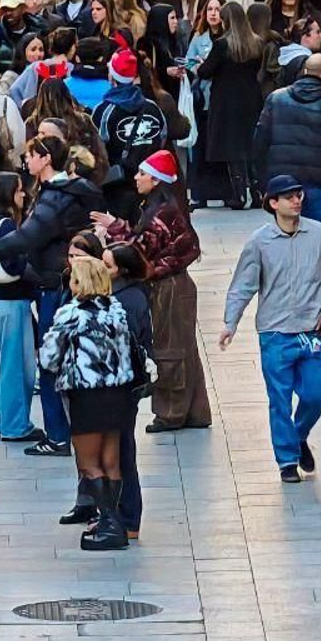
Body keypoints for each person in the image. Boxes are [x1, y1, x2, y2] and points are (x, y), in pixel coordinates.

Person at [0, 135, 104, 457]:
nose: (25, 162)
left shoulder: (54, 197)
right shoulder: (69, 192)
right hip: (66, 282)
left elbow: (30, 236)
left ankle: (58, 435)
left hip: (55, 286)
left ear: (45, 159)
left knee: (49, 362)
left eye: (30, 155)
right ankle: (73, 432)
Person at [219, 175, 321, 484]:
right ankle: (287, 460)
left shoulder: (319, 234)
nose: (296, 200)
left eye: (298, 194)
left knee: (315, 395)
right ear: (273, 203)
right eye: (288, 197)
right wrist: (230, 323)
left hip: (311, 330)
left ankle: (298, 437)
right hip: (274, 333)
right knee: (279, 398)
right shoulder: (260, 242)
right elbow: (243, 284)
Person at [94, 151, 210, 433]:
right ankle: (194, 410)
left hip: (168, 287)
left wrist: (112, 231)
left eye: (143, 174)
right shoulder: (163, 209)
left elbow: (138, 252)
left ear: (156, 180)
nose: (136, 177)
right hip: (175, 285)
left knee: (169, 348)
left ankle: (171, 413)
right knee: (184, 347)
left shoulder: (160, 214)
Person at [38, 256, 135, 551]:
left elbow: (48, 356)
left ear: (79, 282)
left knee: (88, 464)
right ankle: (114, 520)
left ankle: (108, 525)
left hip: (86, 394)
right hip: (116, 394)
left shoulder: (72, 314)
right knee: (112, 461)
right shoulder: (116, 311)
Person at [252, 52, 321, 238]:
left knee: (286, 239)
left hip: (283, 183)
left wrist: (263, 180)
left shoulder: (276, 99)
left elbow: (260, 141)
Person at [0, 170, 41, 443]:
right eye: (18, 190)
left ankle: (4, 418)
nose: (23, 195)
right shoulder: (6, 225)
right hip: (11, 301)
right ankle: (15, 425)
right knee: (19, 366)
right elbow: (12, 262)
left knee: (10, 364)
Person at [102, 241, 152, 539]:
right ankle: (121, 513)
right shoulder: (124, 295)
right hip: (122, 385)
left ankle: (128, 516)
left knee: (121, 451)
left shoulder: (126, 300)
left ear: (120, 270)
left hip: (122, 387)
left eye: (106, 265)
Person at [196, 0, 266, 209]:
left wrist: (201, 63)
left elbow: (205, 72)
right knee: (249, 145)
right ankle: (256, 192)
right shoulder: (257, 42)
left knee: (231, 147)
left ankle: (239, 194)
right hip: (252, 98)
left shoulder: (222, 44)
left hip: (226, 100)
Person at [91, 49, 170, 219]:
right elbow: (162, 137)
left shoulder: (104, 111)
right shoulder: (152, 107)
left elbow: (97, 147)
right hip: (150, 186)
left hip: (117, 186)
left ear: (111, 77)